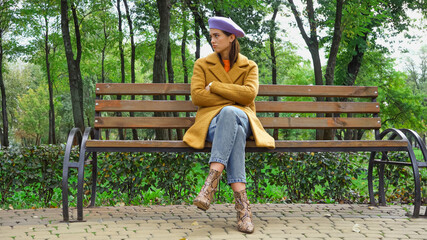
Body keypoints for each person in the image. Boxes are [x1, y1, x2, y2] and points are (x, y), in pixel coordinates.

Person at [183, 16, 275, 234]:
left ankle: (210, 184)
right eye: (211, 36)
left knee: (232, 114)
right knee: (234, 125)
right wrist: (235, 98)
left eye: (217, 36)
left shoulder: (249, 66)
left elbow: (250, 94)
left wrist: (214, 86)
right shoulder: (202, 64)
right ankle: (243, 211)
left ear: (231, 38)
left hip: (242, 116)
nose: (212, 40)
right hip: (212, 125)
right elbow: (197, 97)